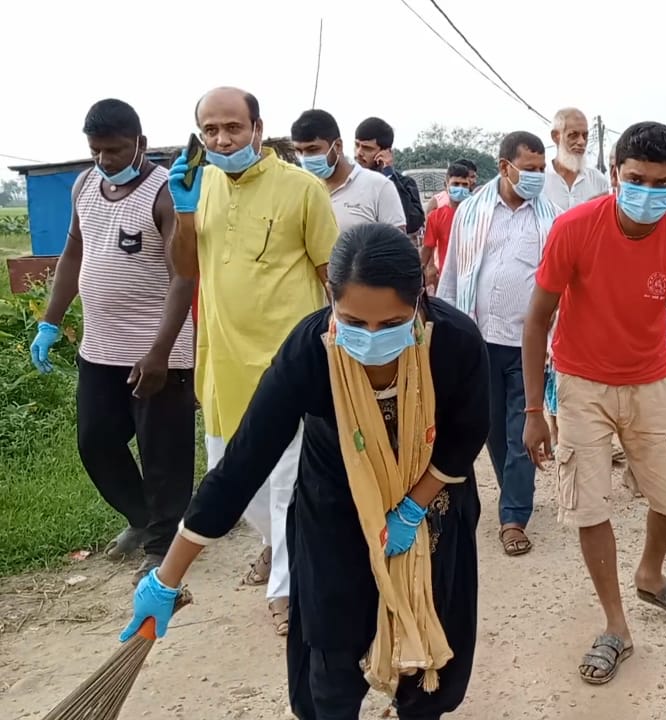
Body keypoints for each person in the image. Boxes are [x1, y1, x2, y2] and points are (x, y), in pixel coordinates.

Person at [122, 224, 487, 720]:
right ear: (329, 298)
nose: (372, 339)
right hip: (334, 502)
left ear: (420, 298)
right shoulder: (308, 351)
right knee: (331, 649)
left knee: (431, 646)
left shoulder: (456, 344)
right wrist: (167, 578)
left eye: (393, 323)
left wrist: (412, 507)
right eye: (354, 322)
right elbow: (243, 464)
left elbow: (465, 437)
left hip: (430, 503)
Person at [521, 121, 666, 685]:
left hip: (654, 385)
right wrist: (535, 409)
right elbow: (537, 323)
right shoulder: (575, 229)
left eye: (659, 183)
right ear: (615, 175)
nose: (647, 192)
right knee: (589, 506)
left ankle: (651, 575)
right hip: (581, 385)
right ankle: (616, 625)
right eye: (635, 179)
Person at [167, 86, 340, 635]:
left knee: (291, 483)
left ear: (258, 130)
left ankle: (288, 589)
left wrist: (345, 345)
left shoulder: (302, 189)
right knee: (234, 483)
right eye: (210, 131)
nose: (221, 140)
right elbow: (185, 268)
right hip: (222, 362)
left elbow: (329, 272)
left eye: (232, 129)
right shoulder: (200, 187)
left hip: (289, 364)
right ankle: (276, 545)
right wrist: (185, 215)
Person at [28, 98, 195, 585]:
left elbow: (183, 277)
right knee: (96, 441)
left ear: (140, 144)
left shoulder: (165, 193)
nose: (104, 160)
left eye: (115, 150)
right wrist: (50, 321)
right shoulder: (84, 185)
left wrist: (162, 352)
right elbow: (74, 251)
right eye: (96, 150)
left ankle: (164, 547)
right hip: (99, 348)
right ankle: (143, 521)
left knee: (163, 452)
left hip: (157, 350)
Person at [438, 132, 559, 557]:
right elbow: (453, 273)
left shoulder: (552, 218)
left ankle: (513, 517)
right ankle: (515, 487)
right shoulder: (470, 212)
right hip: (478, 340)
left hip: (530, 344)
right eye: (529, 169)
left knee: (520, 426)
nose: (537, 177)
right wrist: (447, 331)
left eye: (542, 169)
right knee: (489, 426)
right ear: (504, 166)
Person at [291, 110, 406, 233]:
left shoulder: (379, 186)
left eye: (313, 149)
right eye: (299, 151)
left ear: (338, 146)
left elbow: (398, 248)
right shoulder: (299, 190)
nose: (305, 158)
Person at [355, 117, 425, 239]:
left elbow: (412, 222)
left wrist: (389, 175)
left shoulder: (405, 183)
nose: (358, 153)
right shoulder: (347, 181)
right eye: (357, 145)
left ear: (385, 152)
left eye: (367, 148)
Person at [544, 107, 610, 210]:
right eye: (573, 135)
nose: (581, 142)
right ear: (556, 136)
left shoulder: (598, 181)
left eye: (585, 136)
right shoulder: (541, 180)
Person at [422, 162, 473, 290]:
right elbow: (428, 247)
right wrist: (425, 269)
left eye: (464, 185)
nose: (460, 188)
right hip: (446, 278)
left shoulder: (479, 214)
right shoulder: (436, 216)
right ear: (446, 186)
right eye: (456, 184)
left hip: (473, 278)